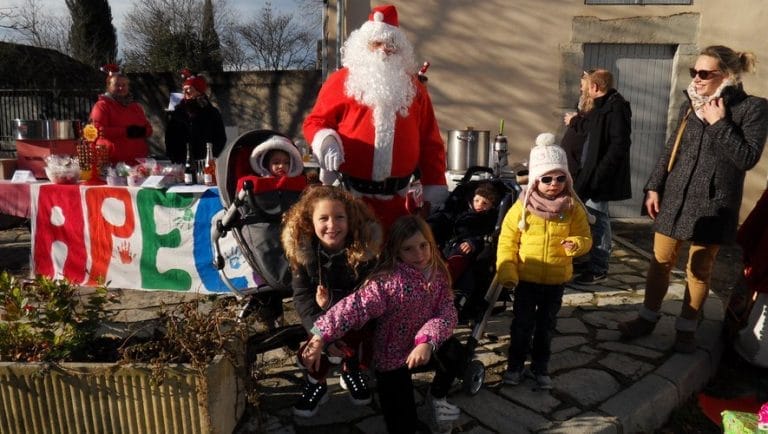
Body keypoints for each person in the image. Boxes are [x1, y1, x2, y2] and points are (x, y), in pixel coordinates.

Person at [618, 45, 768, 353]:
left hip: (714, 203)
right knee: (659, 262)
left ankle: (686, 330)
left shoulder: (753, 108)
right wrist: (654, 186)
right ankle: (646, 318)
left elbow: (747, 158)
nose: (696, 79)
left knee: (699, 269)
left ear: (726, 75)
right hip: (676, 196)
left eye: (704, 73)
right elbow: (671, 148)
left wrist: (719, 123)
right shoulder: (691, 104)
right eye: (693, 72)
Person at [302, 215, 463, 433]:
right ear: (396, 250)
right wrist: (320, 335)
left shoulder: (438, 273)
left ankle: (437, 396)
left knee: (456, 353)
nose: (419, 254)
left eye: (423, 245)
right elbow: (353, 307)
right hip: (392, 357)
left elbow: (447, 312)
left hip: (424, 347)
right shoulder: (387, 282)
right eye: (408, 249)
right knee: (401, 422)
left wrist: (427, 340)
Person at [302, 4, 449, 230]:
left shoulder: (414, 89)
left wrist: (434, 188)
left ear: (400, 49)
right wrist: (326, 140)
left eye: (391, 44)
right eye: (377, 43)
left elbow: (431, 143)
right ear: (364, 46)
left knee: (397, 251)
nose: (384, 50)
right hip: (350, 202)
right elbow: (315, 122)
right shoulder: (340, 81)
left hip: (399, 203)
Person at [497, 133, 592, 389]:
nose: (554, 184)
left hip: (555, 280)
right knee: (521, 325)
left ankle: (540, 367)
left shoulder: (571, 207)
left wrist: (577, 244)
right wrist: (507, 268)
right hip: (526, 278)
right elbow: (507, 241)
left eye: (560, 178)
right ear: (536, 179)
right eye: (547, 179)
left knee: (546, 327)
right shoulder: (522, 208)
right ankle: (515, 365)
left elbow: (585, 236)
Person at [282, 185, 382, 418]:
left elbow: (366, 297)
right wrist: (324, 337)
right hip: (319, 320)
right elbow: (303, 298)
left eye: (339, 217)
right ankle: (316, 382)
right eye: (323, 218)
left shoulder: (364, 250)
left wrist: (331, 302)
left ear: (350, 219)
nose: (332, 225)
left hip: (356, 317)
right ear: (310, 222)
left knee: (358, 340)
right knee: (314, 348)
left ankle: (352, 369)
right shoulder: (302, 252)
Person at [565, 69, 632, 285]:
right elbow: (591, 130)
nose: (583, 89)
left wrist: (599, 173)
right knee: (589, 217)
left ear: (595, 87)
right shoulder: (602, 106)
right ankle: (589, 260)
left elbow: (618, 145)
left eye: (585, 85)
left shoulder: (616, 108)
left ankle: (599, 268)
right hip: (588, 174)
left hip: (599, 177)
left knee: (599, 219)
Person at [89, 64, 152, 165]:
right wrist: (126, 131)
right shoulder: (102, 106)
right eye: (117, 85)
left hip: (138, 162)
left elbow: (149, 130)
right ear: (109, 87)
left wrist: (141, 131)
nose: (121, 88)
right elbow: (98, 130)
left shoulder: (135, 107)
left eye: (124, 85)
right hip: (113, 163)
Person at [165, 69, 227, 164]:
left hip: (204, 161)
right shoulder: (177, 112)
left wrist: (211, 156)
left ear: (198, 90)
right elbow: (169, 137)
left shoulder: (211, 112)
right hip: (181, 161)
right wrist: (173, 157)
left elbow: (220, 138)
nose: (185, 91)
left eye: (189, 88)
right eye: (184, 88)